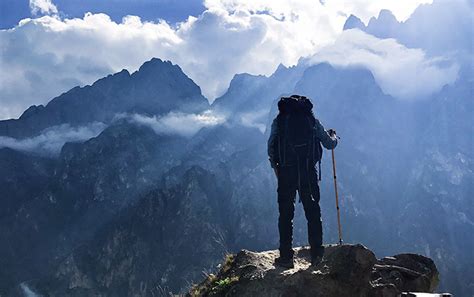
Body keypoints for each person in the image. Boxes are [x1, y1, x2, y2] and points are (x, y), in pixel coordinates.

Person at [267, 94, 338, 268]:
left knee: (285, 215)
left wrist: (276, 166)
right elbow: (329, 144)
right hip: (307, 173)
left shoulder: (280, 121)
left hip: (286, 173)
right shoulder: (311, 120)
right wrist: (335, 136)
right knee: (313, 213)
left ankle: (286, 257)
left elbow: (270, 147)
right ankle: (316, 256)